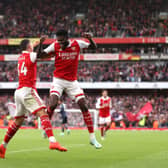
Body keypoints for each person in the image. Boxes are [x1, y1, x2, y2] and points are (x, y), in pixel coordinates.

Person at [0, 38, 67, 159]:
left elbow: (34, 55)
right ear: (28, 47)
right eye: (31, 44)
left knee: (18, 122)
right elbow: (40, 55)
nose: (32, 45)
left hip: (19, 92)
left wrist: (35, 46)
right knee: (43, 113)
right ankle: (52, 141)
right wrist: (41, 44)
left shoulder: (20, 58)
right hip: (28, 90)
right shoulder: (31, 55)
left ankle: (3, 146)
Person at [37, 29, 102, 149]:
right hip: (58, 80)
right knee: (52, 104)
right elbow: (40, 55)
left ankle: (92, 138)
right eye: (58, 41)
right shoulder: (55, 45)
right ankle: (47, 129)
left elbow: (94, 48)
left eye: (62, 41)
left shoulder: (77, 43)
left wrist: (90, 39)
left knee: (84, 105)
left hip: (72, 82)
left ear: (67, 38)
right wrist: (41, 43)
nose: (60, 43)